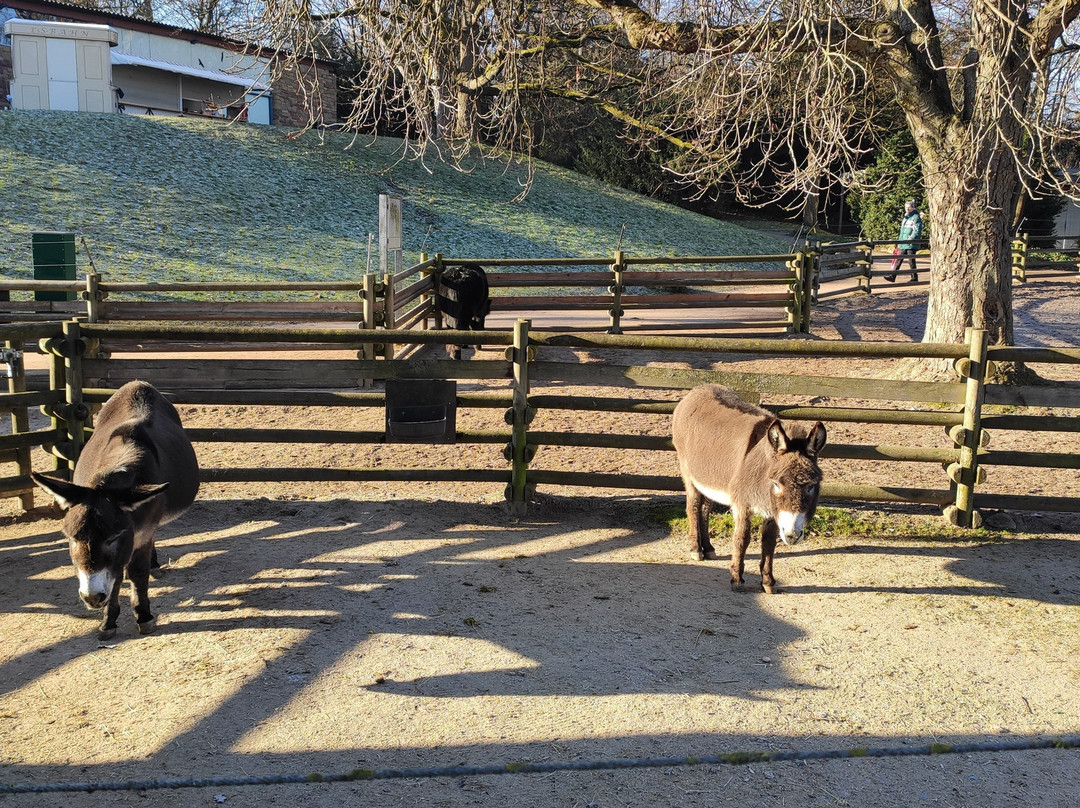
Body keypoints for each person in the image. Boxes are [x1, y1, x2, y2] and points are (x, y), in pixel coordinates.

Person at [884, 200, 923, 282]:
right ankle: (892, 276)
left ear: (913, 207)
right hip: (903, 242)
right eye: (906, 207)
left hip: (910, 243)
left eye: (909, 207)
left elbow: (917, 231)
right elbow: (902, 231)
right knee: (898, 259)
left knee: (911, 260)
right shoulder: (905, 217)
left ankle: (914, 278)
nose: (907, 209)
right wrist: (899, 242)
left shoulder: (916, 217)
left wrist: (910, 239)